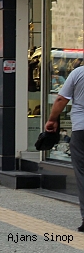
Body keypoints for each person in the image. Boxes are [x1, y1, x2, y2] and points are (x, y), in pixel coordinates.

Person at [45, 65, 84, 232]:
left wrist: (52, 119)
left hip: (81, 130)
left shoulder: (78, 73)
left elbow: (61, 99)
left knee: (82, 174)